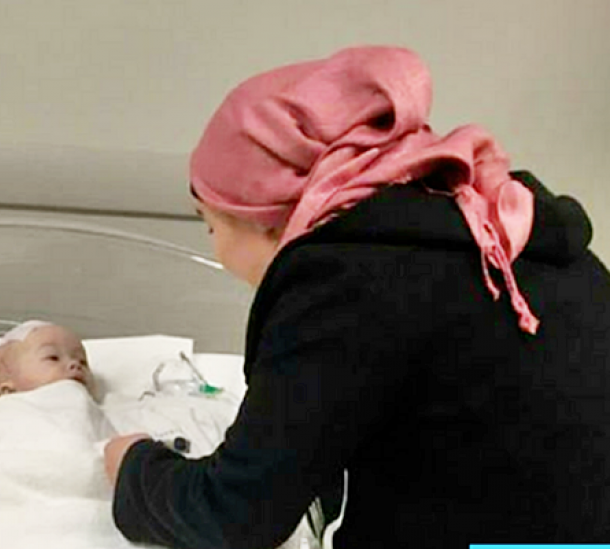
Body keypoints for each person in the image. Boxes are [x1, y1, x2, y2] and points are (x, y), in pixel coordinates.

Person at [104, 46, 610, 548]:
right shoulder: (509, 227)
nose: (214, 244)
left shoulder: (346, 280)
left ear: (265, 219)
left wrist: (132, 465)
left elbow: (232, 515)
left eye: (210, 224)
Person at [0, 320, 95, 400]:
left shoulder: (95, 413)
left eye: (82, 361)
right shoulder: (0, 418)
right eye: (53, 358)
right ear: (9, 392)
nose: (75, 364)